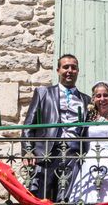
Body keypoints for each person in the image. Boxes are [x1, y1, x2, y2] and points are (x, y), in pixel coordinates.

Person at [22, 54, 91, 202]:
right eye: (66, 67)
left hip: (74, 155)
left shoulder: (86, 100)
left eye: (73, 67)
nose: (69, 70)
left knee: (66, 199)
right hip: (46, 153)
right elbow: (29, 124)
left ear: (78, 71)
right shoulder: (43, 93)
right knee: (41, 197)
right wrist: (28, 151)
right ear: (58, 70)